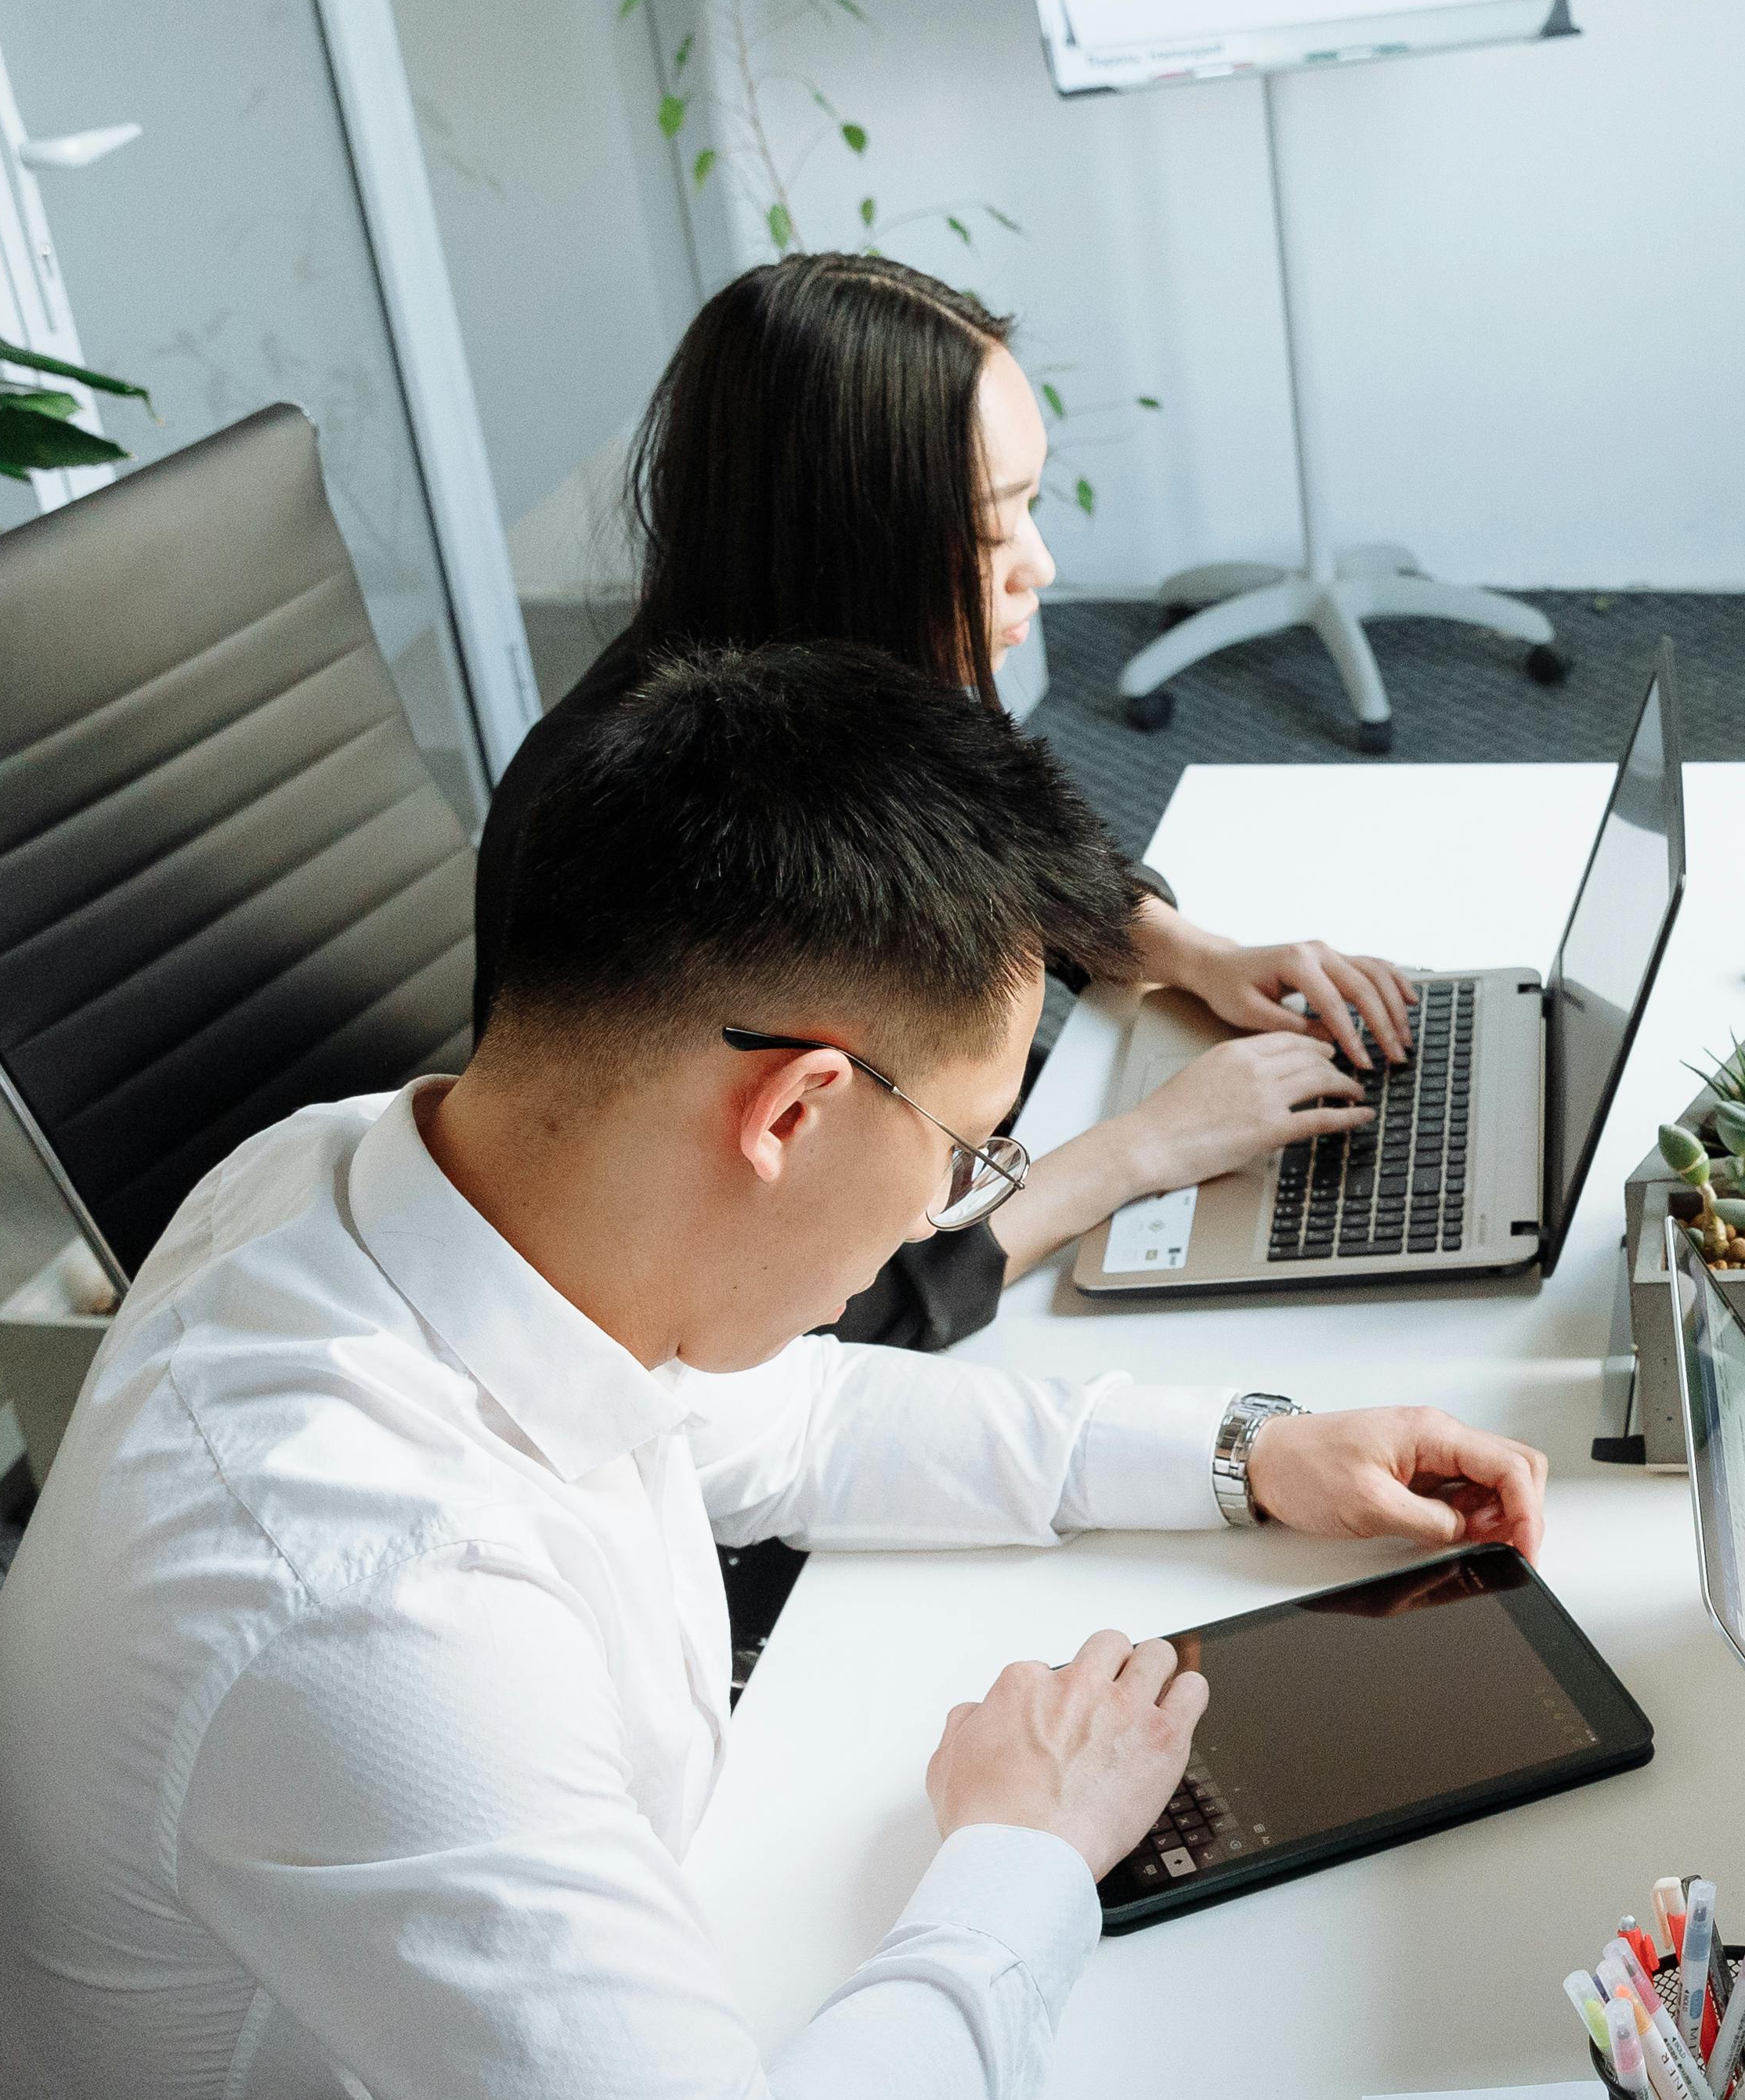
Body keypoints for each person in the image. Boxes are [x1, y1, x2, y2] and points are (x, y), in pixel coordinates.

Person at [0, 641, 1550, 2100]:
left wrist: (1247, 1448)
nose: (963, 1200)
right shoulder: (361, 1612)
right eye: (970, 1153)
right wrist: (1027, 1855)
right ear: (789, 1111)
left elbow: (781, 1420)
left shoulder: (361, 1180)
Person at [474, 252, 1412, 1349]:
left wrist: (1194, 951)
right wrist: (1142, 1150)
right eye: (991, 525)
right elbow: (830, 1316)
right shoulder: (704, 837)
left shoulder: (832, 696)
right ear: (851, 538)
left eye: (1034, 506)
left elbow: (999, 856)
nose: (1042, 566)